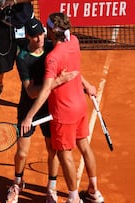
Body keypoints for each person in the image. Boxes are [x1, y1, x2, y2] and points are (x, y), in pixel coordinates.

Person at [20, 13, 105, 203]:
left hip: (63, 112)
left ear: (50, 30)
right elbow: (75, 68)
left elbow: (44, 91)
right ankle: (94, 191)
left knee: (64, 153)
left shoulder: (52, 58)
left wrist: (29, 116)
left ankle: (73, 198)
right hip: (81, 106)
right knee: (84, 146)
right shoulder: (74, 41)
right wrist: (87, 84)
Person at [6, 18, 79, 203]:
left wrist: (84, 83)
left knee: (52, 150)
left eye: (41, 34)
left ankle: (51, 187)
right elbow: (30, 92)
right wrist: (56, 82)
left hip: (48, 107)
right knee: (22, 152)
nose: (39, 39)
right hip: (28, 110)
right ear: (28, 37)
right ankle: (17, 182)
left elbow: (71, 65)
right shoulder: (22, 58)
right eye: (35, 36)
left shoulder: (51, 47)